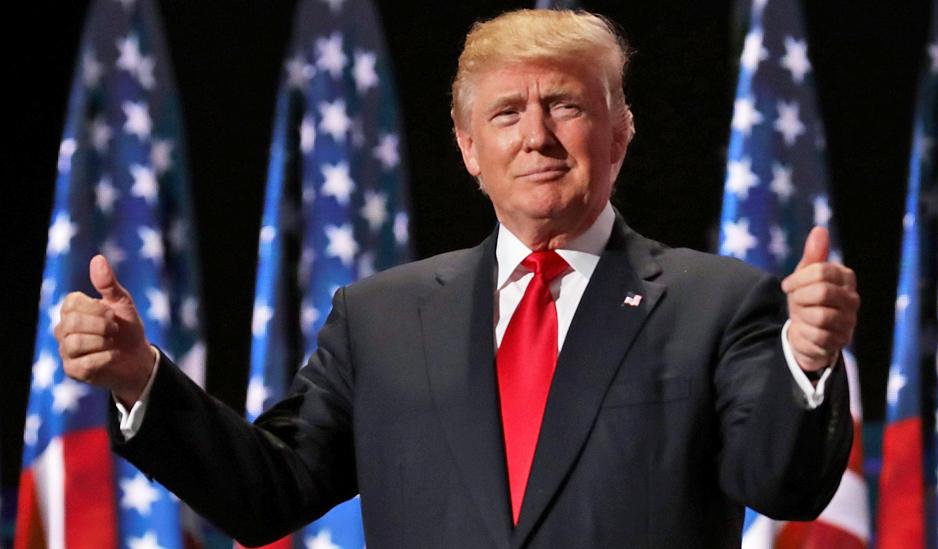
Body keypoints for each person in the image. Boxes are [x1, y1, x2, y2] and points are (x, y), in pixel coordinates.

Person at [55, 9, 858, 548]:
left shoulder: (715, 303)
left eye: (565, 106)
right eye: (508, 113)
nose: (537, 136)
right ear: (471, 149)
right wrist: (141, 381)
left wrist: (808, 364)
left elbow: (781, 485)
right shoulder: (380, 318)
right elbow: (268, 492)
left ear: (619, 133)